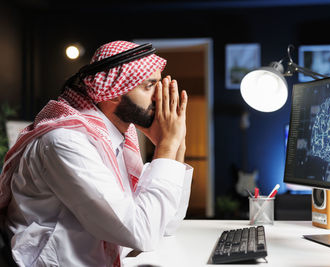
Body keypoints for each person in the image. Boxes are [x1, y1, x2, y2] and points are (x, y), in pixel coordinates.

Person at [0, 40, 193, 267]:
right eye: (149, 86)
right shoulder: (66, 142)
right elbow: (142, 233)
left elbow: (165, 224)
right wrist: (166, 147)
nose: (159, 98)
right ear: (112, 94)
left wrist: (176, 147)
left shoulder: (115, 138)